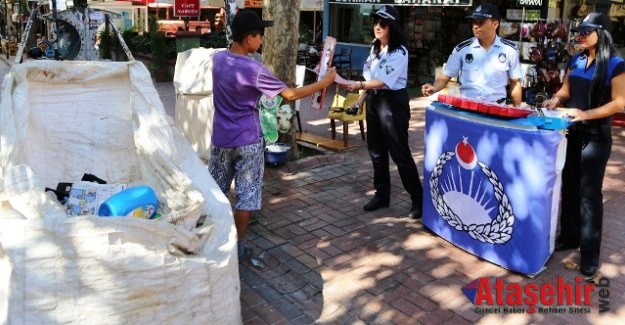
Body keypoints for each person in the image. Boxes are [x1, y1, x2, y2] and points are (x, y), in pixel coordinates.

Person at [209, 10, 336, 258]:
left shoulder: (217, 59)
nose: (262, 41)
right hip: (248, 140)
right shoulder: (253, 69)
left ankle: (214, 237)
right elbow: (289, 95)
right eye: (260, 36)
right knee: (247, 197)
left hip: (221, 138)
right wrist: (324, 83)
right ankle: (236, 245)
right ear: (249, 39)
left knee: (216, 190)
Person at [543, 12, 625, 277]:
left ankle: (590, 255)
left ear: (602, 33)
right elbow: (567, 90)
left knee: (589, 196)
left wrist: (586, 114)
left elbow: (620, 102)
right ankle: (569, 237)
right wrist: (556, 100)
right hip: (574, 134)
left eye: (585, 32)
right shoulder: (576, 59)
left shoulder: (615, 64)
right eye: (578, 32)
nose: (579, 36)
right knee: (569, 187)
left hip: (596, 137)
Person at [340, 5, 423, 219]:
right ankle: (381, 195)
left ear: (392, 27)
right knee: (376, 152)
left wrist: (357, 85)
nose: (378, 27)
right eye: (375, 22)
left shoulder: (399, 51)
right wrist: (359, 101)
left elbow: (382, 81)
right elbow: (370, 81)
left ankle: (417, 199)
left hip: (392, 104)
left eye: (383, 24)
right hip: (374, 101)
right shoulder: (375, 47)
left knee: (400, 153)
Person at [421, 3, 522, 106]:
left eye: (481, 22)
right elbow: (446, 75)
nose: (475, 26)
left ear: (495, 24)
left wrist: (517, 110)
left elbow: (515, 83)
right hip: (467, 107)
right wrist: (434, 87)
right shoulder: (462, 49)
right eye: (474, 22)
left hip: (496, 109)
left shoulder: (509, 50)